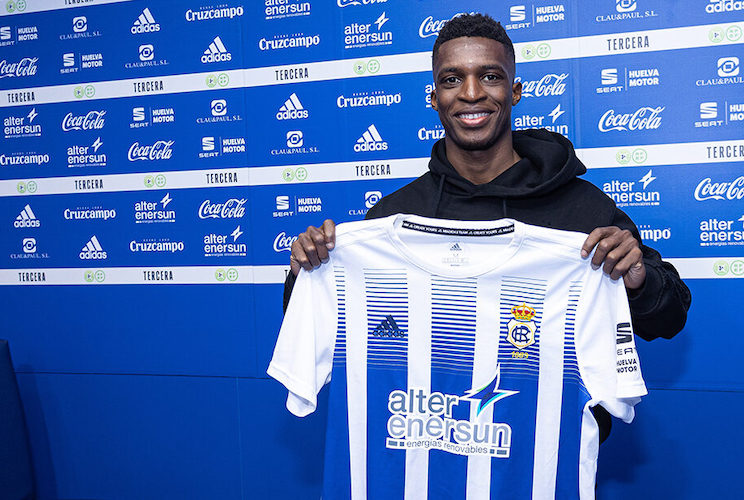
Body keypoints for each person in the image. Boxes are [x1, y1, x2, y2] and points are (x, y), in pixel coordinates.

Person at [283, 13, 690, 439]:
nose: (471, 94)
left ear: (514, 91)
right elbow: (320, 331)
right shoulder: (391, 218)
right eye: (452, 80)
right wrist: (305, 272)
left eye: (490, 76)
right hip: (421, 456)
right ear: (434, 97)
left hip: (540, 462)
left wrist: (638, 280)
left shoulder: (583, 210)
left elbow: (668, 319)